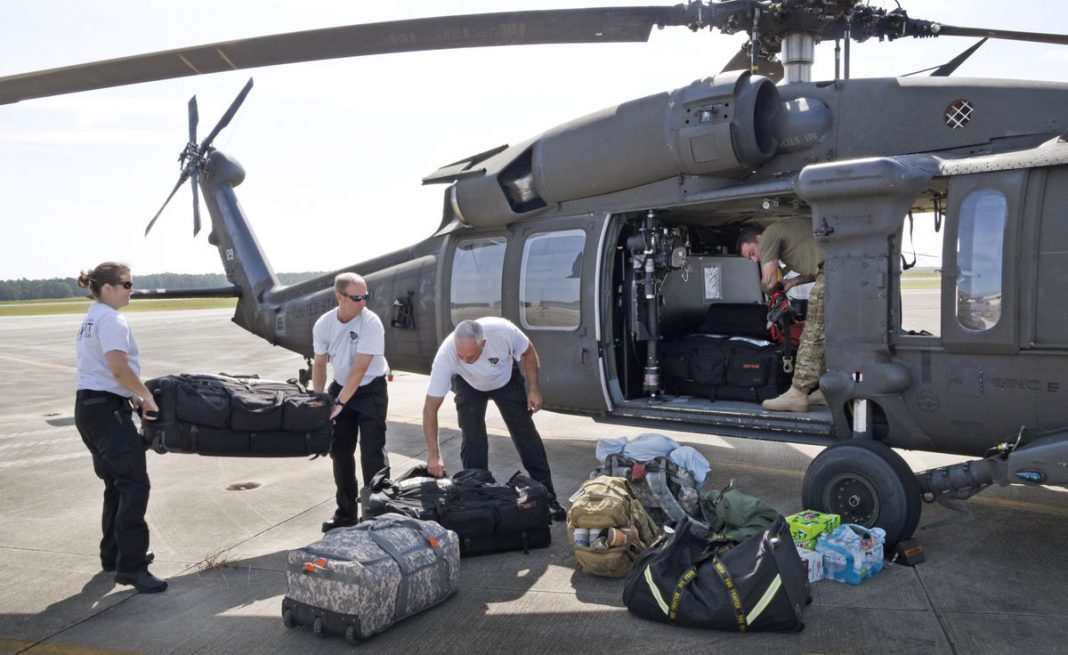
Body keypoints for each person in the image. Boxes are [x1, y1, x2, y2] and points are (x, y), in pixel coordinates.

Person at [75, 262, 166, 593]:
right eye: (127, 284)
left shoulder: (92, 316)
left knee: (115, 484)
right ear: (108, 288)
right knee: (134, 485)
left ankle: (113, 555)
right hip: (107, 413)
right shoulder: (112, 320)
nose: (132, 289)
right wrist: (145, 397)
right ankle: (132, 566)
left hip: (88, 409)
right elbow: (118, 367)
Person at [422, 318, 566, 521]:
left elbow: (528, 352)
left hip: (506, 379)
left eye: (471, 356)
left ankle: (547, 496)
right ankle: (477, 498)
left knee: (526, 436)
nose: (464, 359)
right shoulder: (447, 355)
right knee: (473, 440)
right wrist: (433, 454)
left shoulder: (504, 332)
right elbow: (430, 409)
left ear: (484, 343)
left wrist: (534, 388)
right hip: (469, 384)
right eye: (460, 356)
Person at [312, 272, 389, 532]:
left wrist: (340, 404)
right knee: (340, 452)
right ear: (340, 297)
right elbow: (320, 364)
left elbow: (359, 370)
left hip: (370, 389)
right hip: (342, 385)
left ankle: (377, 515)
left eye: (365, 296)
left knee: (372, 452)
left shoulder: (371, 323)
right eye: (357, 297)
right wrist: (320, 399)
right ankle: (345, 514)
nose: (363, 302)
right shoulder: (324, 324)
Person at [738, 218, 827, 412]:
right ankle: (829, 388)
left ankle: (798, 392)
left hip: (830, 273)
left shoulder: (769, 234)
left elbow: (769, 282)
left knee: (813, 333)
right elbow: (816, 268)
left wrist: (771, 290)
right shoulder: (789, 233)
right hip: (837, 268)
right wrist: (792, 283)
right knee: (832, 334)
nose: (755, 260)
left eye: (752, 253)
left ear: (759, 239)